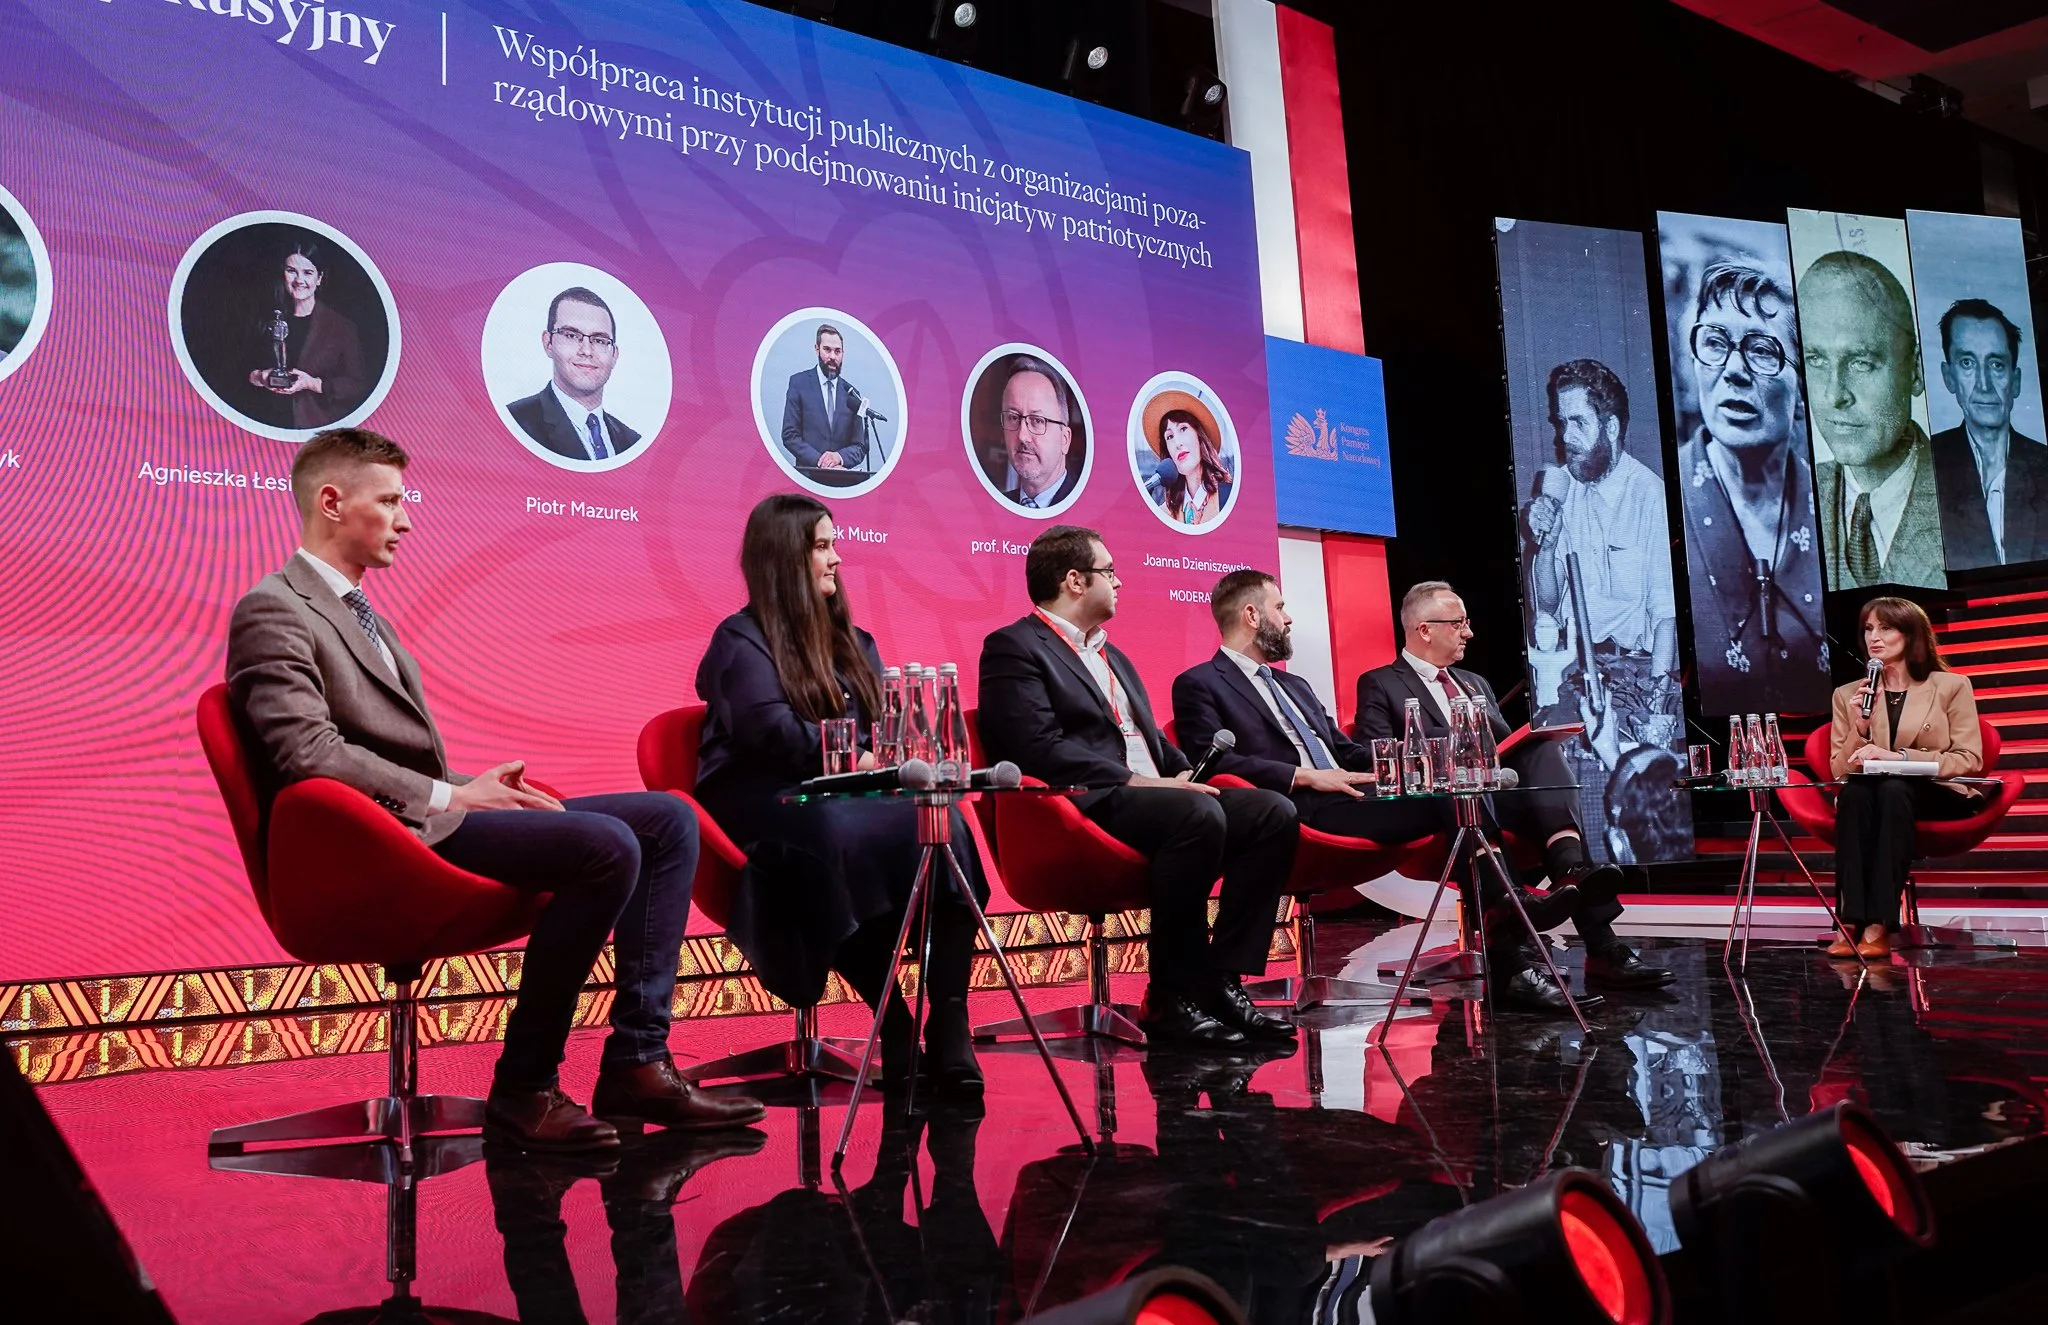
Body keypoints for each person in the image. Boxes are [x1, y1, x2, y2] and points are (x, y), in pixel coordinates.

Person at [226, 429, 762, 1152]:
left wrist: (467, 785)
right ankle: (525, 1084)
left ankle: (638, 1059)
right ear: (331, 501)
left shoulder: (361, 612)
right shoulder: (274, 609)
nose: (407, 520)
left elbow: (380, 748)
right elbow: (306, 754)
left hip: (422, 818)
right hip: (384, 841)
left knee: (667, 820)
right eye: (390, 501)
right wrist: (450, 799)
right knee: (605, 847)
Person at [693, 493, 988, 1097]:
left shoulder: (856, 641)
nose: (837, 559)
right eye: (823, 546)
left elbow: (887, 726)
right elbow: (765, 731)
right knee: (840, 835)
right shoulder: (739, 639)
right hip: (764, 797)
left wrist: (881, 757)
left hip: (848, 793)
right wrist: (855, 755)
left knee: (945, 823)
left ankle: (950, 1019)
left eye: (833, 544)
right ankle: (895, 1023)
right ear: (784, 558)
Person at [978, 526, 1299, 1048]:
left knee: (1271, 813)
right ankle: (1170, 997)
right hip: (1084, 803)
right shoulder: (1014, 647)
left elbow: (1150, 743)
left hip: (1147, 794)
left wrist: (1181, 775)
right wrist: (1142, 781)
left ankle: (1222, 980)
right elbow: (1034, 747)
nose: (1120, 582)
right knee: (1197, 817)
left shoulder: (1114, 655)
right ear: (1075, 581)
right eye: (1110, 572)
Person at [1354, 582, 1675, 1005]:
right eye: (1459, 623)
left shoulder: (1475, 683)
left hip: (1497, 800)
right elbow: (1376, 755)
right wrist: (1455, 756)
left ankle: (1579, 891)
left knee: (1540, 748)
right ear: (1424, 629)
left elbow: (1509, 751)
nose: (1469, 633)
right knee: (1469, 782)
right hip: (1439, 809)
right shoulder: (1380, 683)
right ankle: (1532, 948)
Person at [1675, 262, 1828, 714]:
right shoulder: (1660, 499)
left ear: (1806, 385)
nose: (1734, 371)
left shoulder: (1842, 508)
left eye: (1762, 350)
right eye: (1716, 344)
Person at [1523, 359, 1682, 771]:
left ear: (1610, 428)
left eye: (1578, 423)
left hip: (1641, 672)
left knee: (1637, 784)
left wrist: (1658, 702)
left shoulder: (1649, 495)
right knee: (1545, 761)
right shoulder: (1562, 488)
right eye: (1561, 424)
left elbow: (1665, 614)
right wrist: (1549, 541)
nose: (1566, 438)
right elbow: (1548, 601)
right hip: (1583, 672)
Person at [1826, 597, 1985, 960]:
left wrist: (1898, 758)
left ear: (1911, 634)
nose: (1874, 638)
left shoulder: (1950, 686)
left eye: (1886, 628)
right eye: (1868, 629)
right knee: (1854, 794)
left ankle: (1880, 923)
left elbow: (1969, 759)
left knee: (1892, 788)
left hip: (1938, 792)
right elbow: (1840, 769)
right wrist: (1860, 727)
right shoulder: (1849, 694)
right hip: (1875, 793)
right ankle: (1849, 921)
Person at [1800, 251, 1945, 591]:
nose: (1834, 395)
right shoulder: (1791, 501)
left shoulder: (1973, 496)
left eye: (1861, 362)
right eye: (1816, 360)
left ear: (1915, 371)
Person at [1928, 298, 2048, 570]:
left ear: (2015, 381)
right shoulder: (1925, 466)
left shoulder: (2043, 466)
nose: (1984, 385)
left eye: (1996, 365)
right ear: (1949, 377)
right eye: (1968, 363)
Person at [243, 238, 366, 430]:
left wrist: (314, 384)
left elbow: (358, 385)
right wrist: (261, 377)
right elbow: (241, 371)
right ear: (283, 274)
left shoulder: (342, 327)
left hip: (313, 430)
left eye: (307, 273)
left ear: (319, 278)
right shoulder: (264, 318)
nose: (299, 280)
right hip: (261, 426)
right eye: (291, 271)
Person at [507, 287, 642, 462]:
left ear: (614, 355)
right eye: (571, 335)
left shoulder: (632, 443)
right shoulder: (516, 422)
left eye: (600, 340)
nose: (586, 351)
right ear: (548, 343)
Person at [982, 354, 1081, 510]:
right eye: (1013, 417)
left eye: (1037, 421)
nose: (1022, 436)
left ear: (1065, 439)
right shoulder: (991, 510)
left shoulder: (1087, 514)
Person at [778, 322, 873, 473]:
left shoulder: (852, 393)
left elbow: (860, 446)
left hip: (841, 483)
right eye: (827, 350)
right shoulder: (799, 383)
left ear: (843, 353)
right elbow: (790, 435)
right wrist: (821, 461)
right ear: (817, 348)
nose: (832, 357)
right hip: (807, 478)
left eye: (837, 351)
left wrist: (839, 457)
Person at [1144, 391, 1233, 527]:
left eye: (1183, 429)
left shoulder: (1229, 497)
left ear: (1199, 436)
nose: (1177, 443)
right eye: (1169, 437)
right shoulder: (1163, 514)